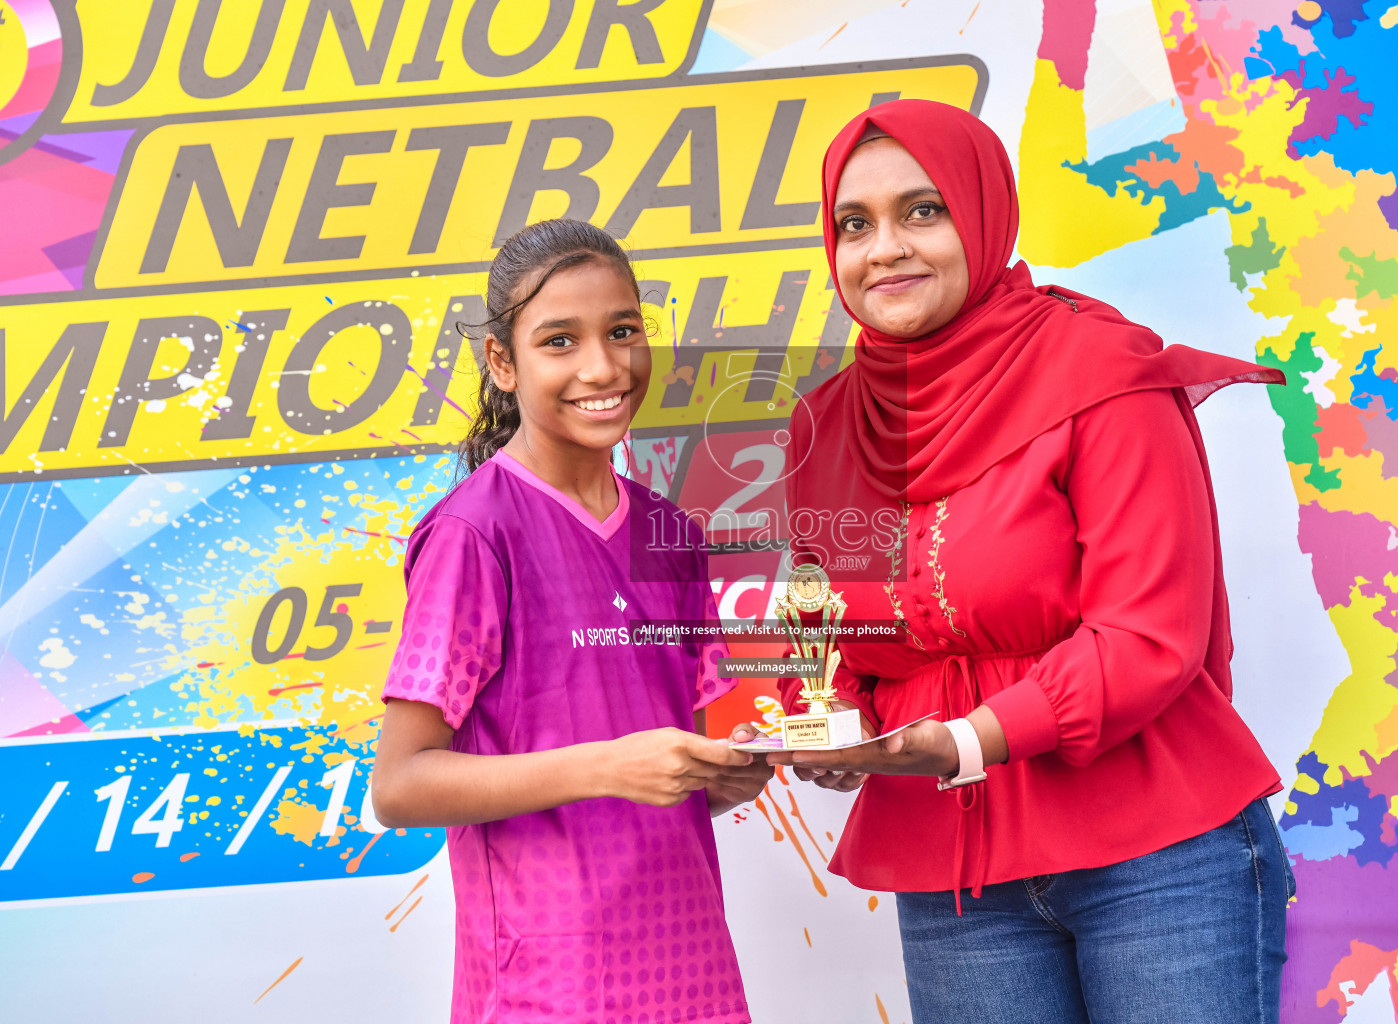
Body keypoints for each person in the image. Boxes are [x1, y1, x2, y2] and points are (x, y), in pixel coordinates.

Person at [768, 100, 1296, 1023]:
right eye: (855, 224)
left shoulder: (1101, 376)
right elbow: (831, 641)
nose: (884, 247)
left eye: (921, 211)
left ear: (982, 212)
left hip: (1156, 860)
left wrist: (965, 738)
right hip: (956, 881)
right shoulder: (825, 429)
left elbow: (1146, 635)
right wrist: (835, 729)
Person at [370, 218, 771, 1024]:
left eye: (623, 331)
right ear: (501, 363)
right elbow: (400, 786)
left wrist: (715, 778)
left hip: (692, 971)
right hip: (549, 986)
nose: (604, 366)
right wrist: (610, 767)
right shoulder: (473, 535)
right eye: (561, 340)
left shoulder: (672, 535)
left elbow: (651, 769)